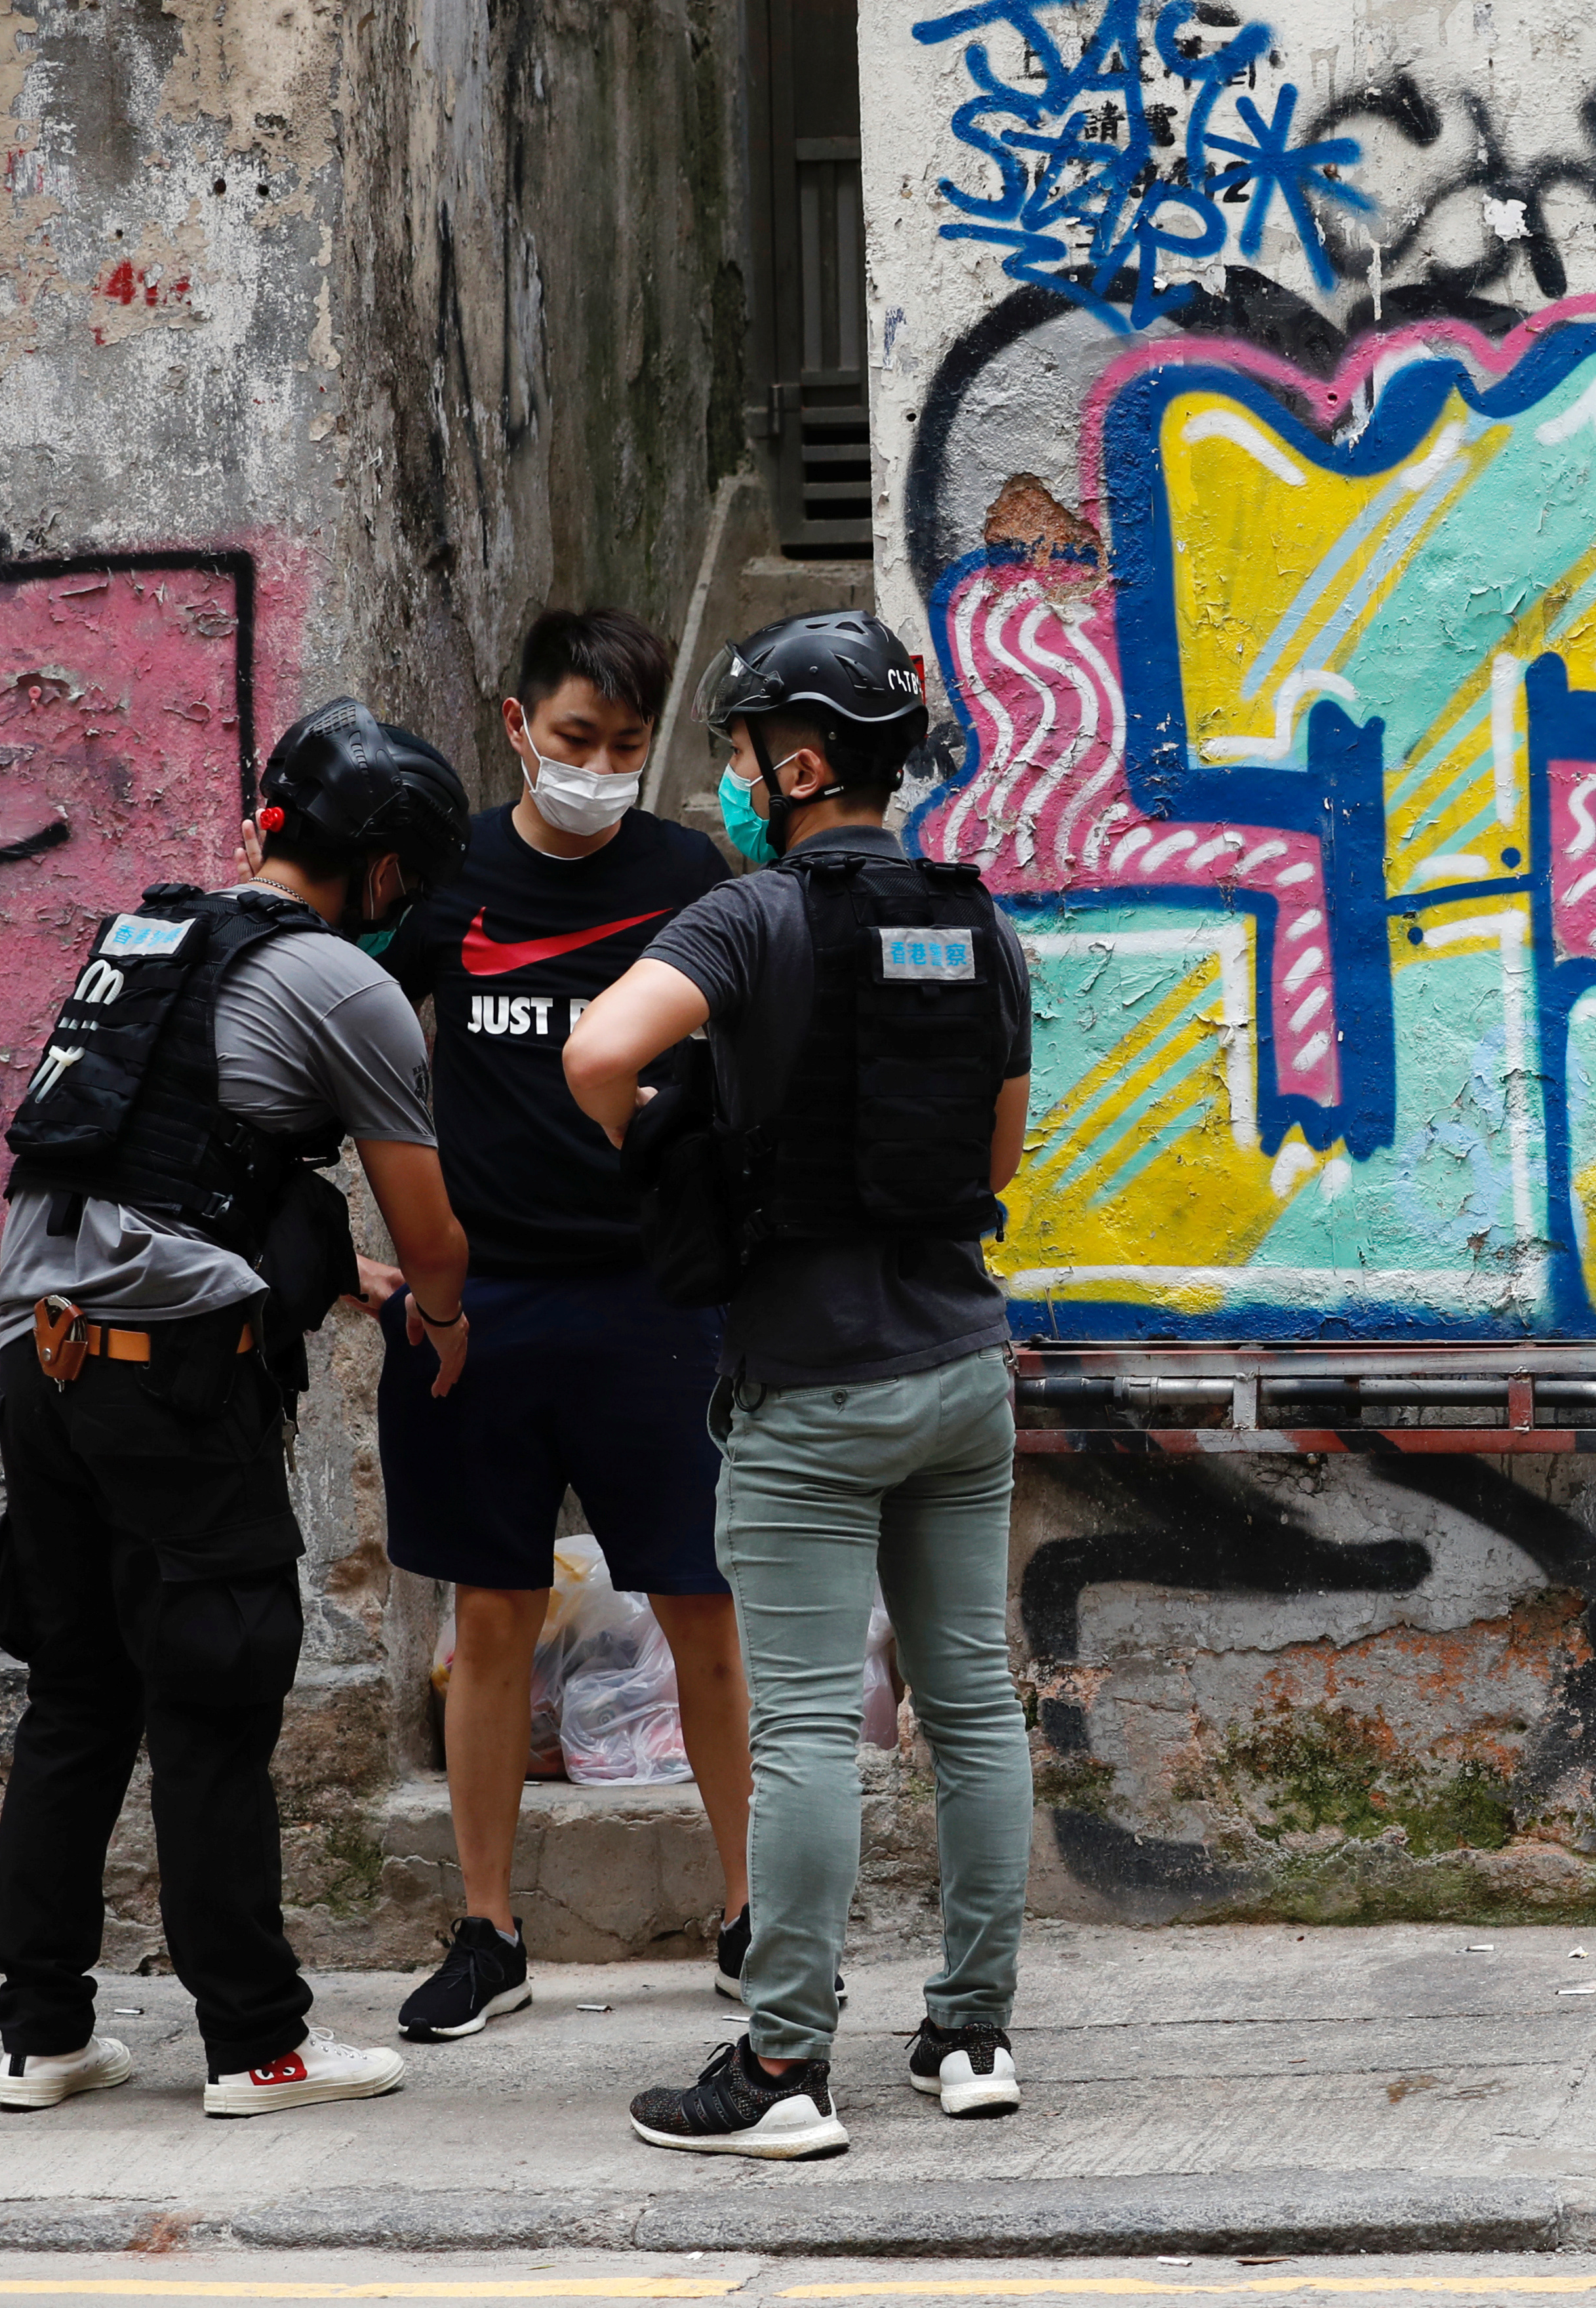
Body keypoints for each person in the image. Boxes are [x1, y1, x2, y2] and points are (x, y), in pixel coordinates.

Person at [562, 610, 1034, 2159]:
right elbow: (999, 1157)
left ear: (806, 757)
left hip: (810, 1392)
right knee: (971, 1703)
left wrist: (683, 1132)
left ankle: (783, 2065)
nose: (737, 778)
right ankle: (971, 2032)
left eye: (751, 750)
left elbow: (594, 1051)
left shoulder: (746, 917)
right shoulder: (978, 923)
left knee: (808, 1729)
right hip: (964, 1369)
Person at [0, 700, 471, 2119]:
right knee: (212, 1694)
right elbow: (434, 1232)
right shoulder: (341, 979)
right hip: (173, 1388)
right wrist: (434, 1314)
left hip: (42, 1359)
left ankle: (44, 2034)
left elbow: (160, 1160)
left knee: (78, 1695)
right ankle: (260, 2044)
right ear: (384, 872)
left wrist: (329, 1275)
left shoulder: (146, 939)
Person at [375, 609, 753, 2043]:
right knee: (488, 1616)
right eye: (575, 737)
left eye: (625, 745)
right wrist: (395, 1266)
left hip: (659, 1297)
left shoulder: (687, 878)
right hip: (479, 1303)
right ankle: (487, 1930)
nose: (598, 767)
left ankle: (745, 1911)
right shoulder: (446, 878)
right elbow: (353, 1050)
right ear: (518, 721)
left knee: (704, 1612)